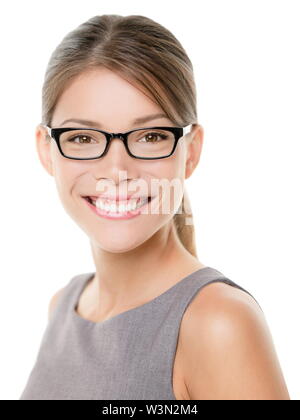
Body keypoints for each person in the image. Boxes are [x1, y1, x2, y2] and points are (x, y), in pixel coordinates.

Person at [20, 14, 290, 400]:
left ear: (191, 151)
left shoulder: (219, 323)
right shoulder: (62, 306)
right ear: (47, 151)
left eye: (150, 136)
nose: (116, 171)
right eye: (82, 137)